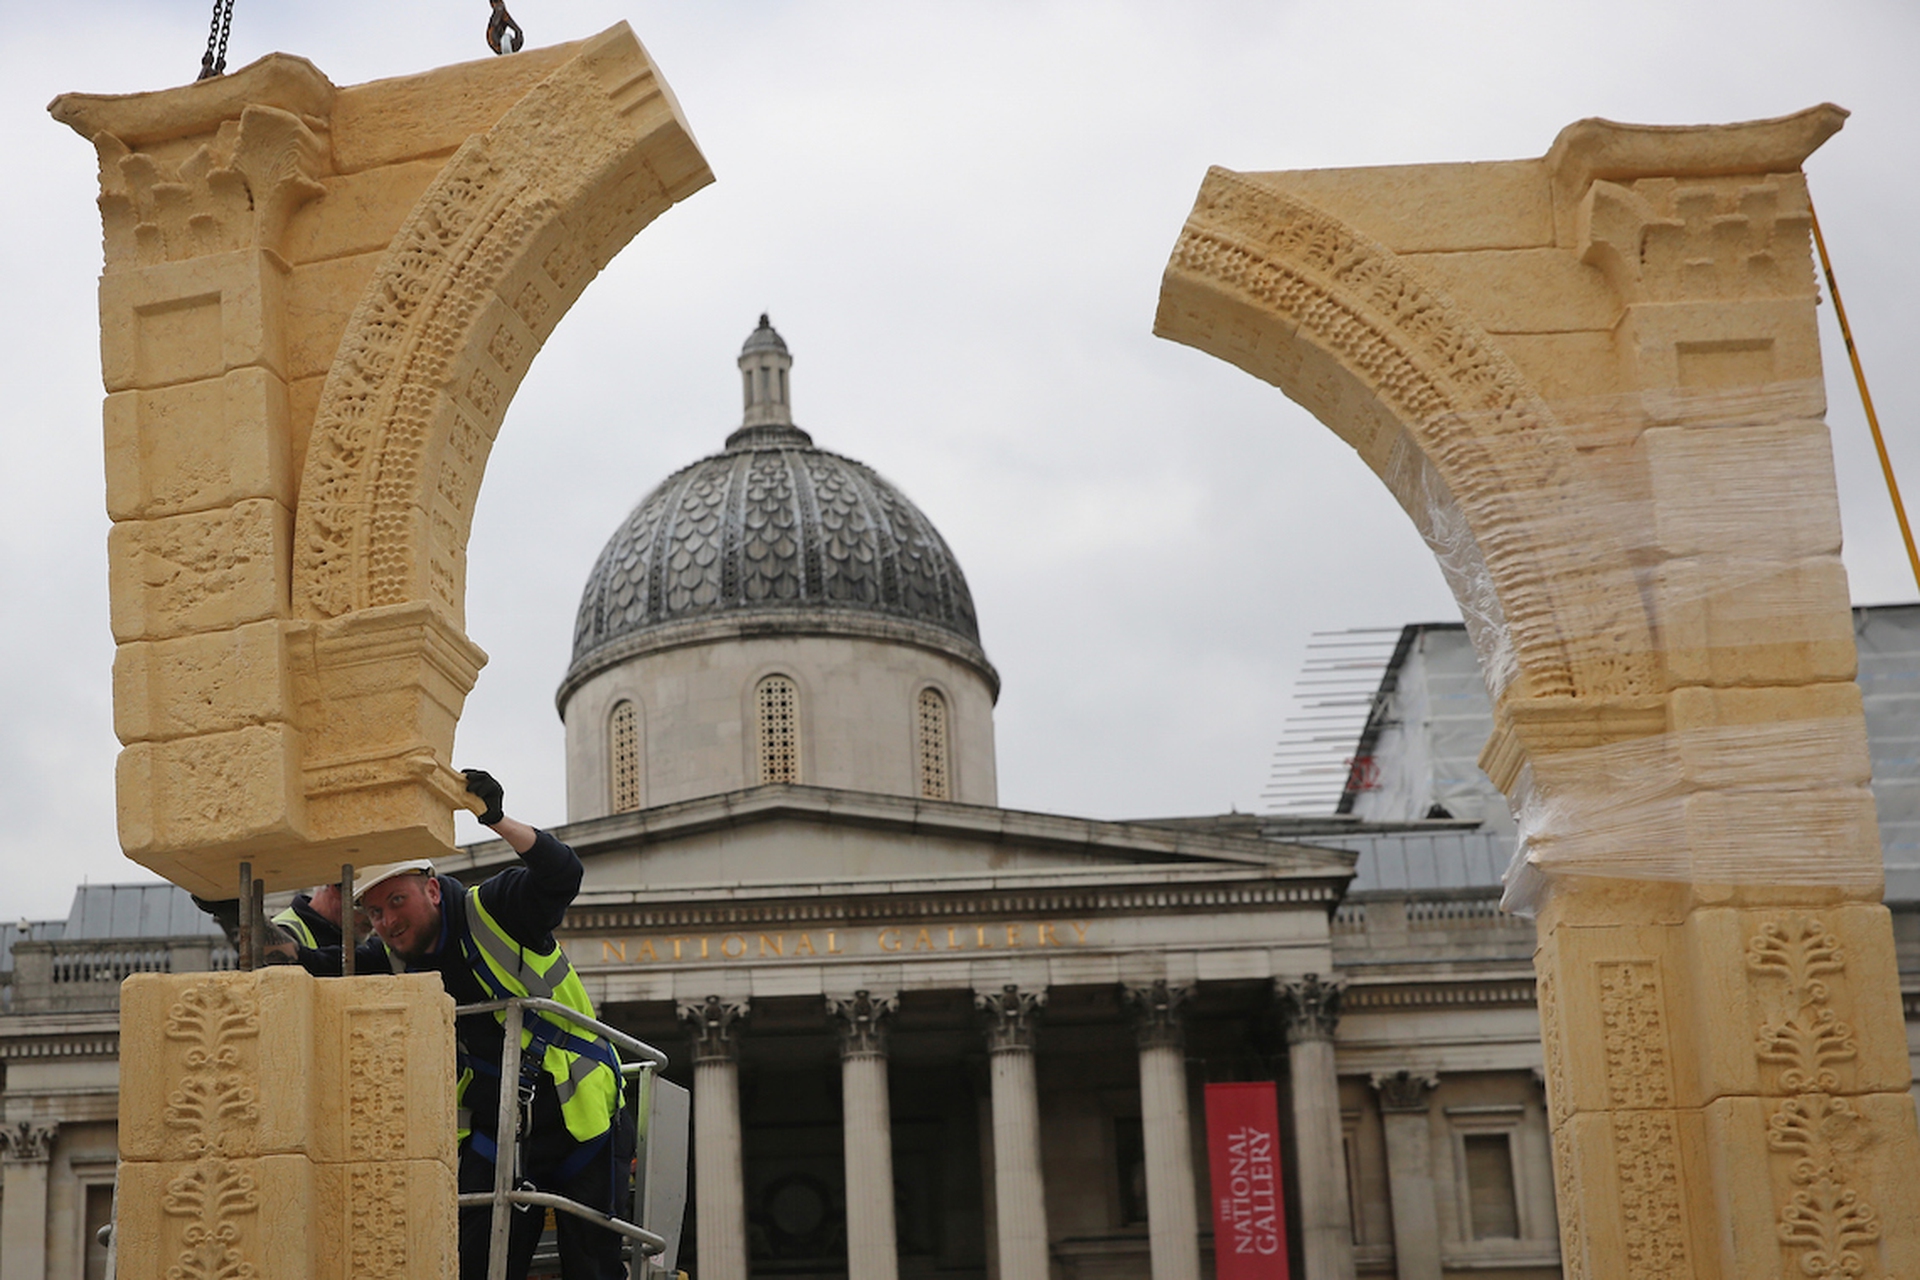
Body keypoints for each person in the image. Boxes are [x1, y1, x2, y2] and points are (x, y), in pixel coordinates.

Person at [290, 769, 629, 1280]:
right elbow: (308, 965)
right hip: (499, 1130)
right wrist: (234, 912)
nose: (387, 922)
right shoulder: (390, 957)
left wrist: (496, 819)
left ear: (430, 888)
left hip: (580, 1114)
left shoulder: (496, 909)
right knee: (472, 1264)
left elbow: (561, 875)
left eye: (396, 902)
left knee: (592, 1265)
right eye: (374, 913)